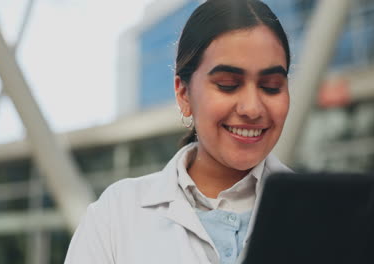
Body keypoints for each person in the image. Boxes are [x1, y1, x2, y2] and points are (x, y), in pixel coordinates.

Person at [64, 0, 292, 263]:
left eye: (272, 86)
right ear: (183, 94)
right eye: (228, 84)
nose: (252, 108)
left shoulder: (327, 214)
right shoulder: (115, 217)